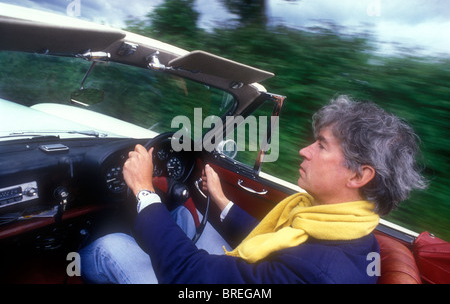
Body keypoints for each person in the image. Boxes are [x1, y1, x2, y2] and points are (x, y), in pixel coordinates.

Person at [80, 95, 427, 284]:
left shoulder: (315, 271)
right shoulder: (344, 228)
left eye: (321, 146)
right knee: (186, 219)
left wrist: (144, 191)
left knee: (109, 246)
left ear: (358, 176)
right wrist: (221, 200)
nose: (304, 151)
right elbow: (269, 243)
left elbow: (191, 275)